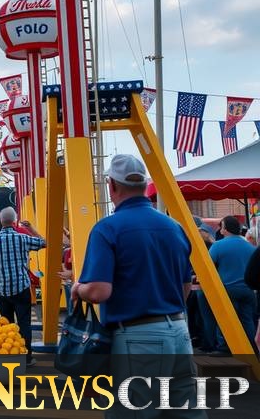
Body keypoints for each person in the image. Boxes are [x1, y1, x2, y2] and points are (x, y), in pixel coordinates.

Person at [72, 154, 204, 417]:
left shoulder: (107, 229)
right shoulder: (174, 227)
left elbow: (99, 291)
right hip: (179, 331)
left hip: (137, 338)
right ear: (144, 185)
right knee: (186, 412)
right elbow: (185, 286)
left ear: (112, 186)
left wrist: (78, 289)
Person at [0, 206, 45, 365]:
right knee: (24, 324)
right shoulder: (23, 238)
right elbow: (45, 243)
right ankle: (27, 357)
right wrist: (30, 228)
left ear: (0, 222)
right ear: (15, 221)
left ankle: (9, 357)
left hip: (1, 290)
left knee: (6, 325)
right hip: (21, 287)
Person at [198, 216, 257, 355]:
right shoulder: (249, 246)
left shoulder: (218, 245)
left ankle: (224, 348)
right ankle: (251, 348)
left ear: (225, 228)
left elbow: (208, 266)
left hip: (227, 288)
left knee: (225, 319)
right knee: (247, 319)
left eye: (221, 226)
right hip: (248, 289)